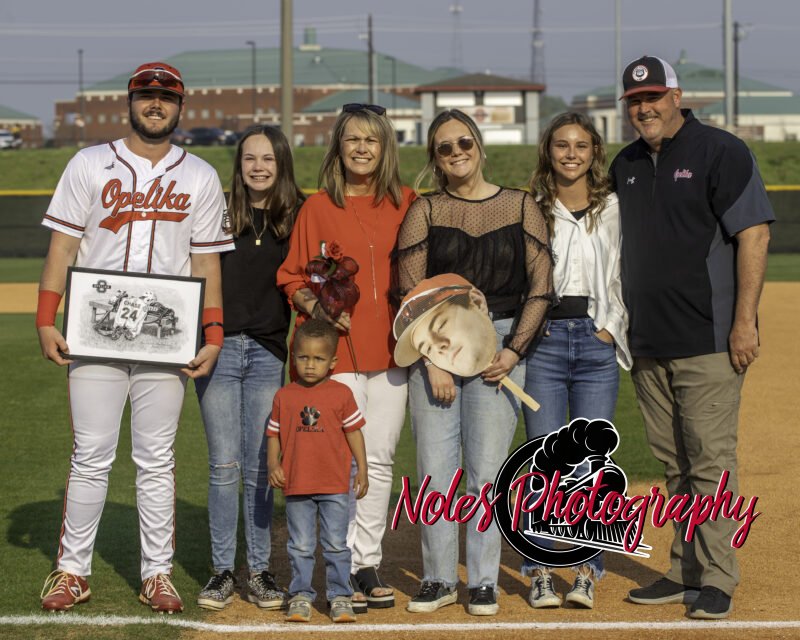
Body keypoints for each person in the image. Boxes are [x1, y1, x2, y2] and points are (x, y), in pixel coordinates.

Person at [36, 62, 233, 613]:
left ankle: (157, 573)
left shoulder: (198, 175)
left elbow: (206, 263)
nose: (155, 104)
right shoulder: (90, 163)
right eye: (146, 95)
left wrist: (211, 332)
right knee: (91, 454)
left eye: (166, 98)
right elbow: (63, 249)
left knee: (156, 458)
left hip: (162, 338)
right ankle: (72, 570)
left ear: (180, 107)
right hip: (95, 334)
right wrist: (45, 319)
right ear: (130, 102)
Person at [611, 55, 773, 620]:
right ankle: (685, 569)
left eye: (653, 96)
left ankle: (719, 577)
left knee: (710, 463)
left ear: (677, 95)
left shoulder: (720, 150)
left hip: (708, 338)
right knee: (674, 464)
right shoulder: (625, 162)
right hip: (649, 342)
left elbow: (753, 234)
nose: (643, 108)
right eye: (634, 100)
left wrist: (744, 321)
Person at [394, 109, 553, 616]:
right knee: (436, 472)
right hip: (435, 349)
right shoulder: (425, 210)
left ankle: (483, 580)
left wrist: (510, 352)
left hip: (501, 345)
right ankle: (439, 579)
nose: (456, 152)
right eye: (444, 147)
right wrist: (432, 360)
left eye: (464, 142)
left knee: (484, 473)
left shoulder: (521, 206)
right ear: (435, 158)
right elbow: (410, 294)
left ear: (479, 146)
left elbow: (541, 288)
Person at [277, 103, 415, 612]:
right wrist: (319, 307)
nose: (362, 148)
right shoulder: (317, 208)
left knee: (376, 460)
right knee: (337, 464)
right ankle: (336, 565)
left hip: (393, 353)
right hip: (335, 357)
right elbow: (292, 276)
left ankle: (364, 563)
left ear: (385, 149)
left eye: (372, 140)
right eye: (352, 139)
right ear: (338, 146)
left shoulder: (407, 201)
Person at [520, 112, 632, 610]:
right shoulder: (531, 206)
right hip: (543, 341)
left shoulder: (612, 205)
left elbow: (626, 272)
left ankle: (586, 569)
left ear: (594, 152)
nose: (571, 154)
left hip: (594, 340)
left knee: (591, 464)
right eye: (561, 145)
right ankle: (541, 569)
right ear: (548, 150)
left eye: (581, 146)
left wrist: (610, 327)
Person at [194, 125, 304, 611]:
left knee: (262, 466)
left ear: (281, 164)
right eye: (249, 159)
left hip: (267, 351)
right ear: (238, 166)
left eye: (268, 159)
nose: (258, 167)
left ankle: (259, 570)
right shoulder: (215, 211)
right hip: (217, 349)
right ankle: (221, 571)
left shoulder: (297, 216)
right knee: (223, 465)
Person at [267, 319, 368, 623]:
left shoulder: (341, 394)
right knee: (300, 545)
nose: (310, 365)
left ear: (333, 361)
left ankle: (339, 596)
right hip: (297, 484)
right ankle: (300, 594)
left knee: (336, 544)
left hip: (335, 484)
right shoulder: (284, 395)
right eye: (303, 357)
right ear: (294, 356)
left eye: (319, 359)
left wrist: (361, 468)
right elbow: (273, 434)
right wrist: (274, 464)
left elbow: (354, 433)